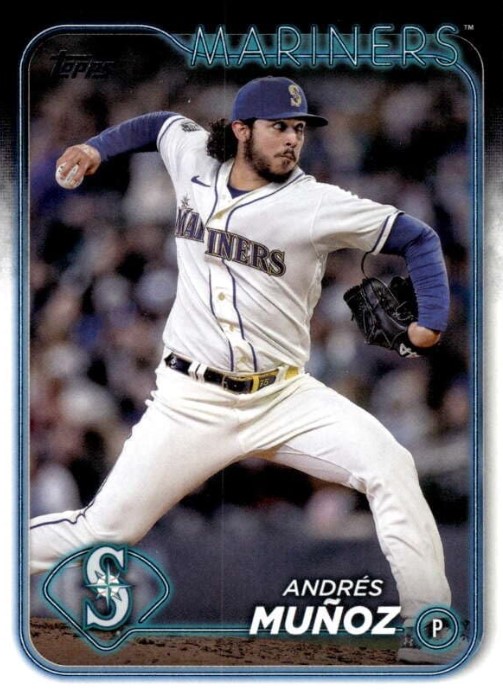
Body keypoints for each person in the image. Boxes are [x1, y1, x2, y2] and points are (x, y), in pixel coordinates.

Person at [30, 76, 461, 664]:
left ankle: (428, 625)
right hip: (191, 400)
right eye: (279, 126)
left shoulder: (315, 203)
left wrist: (429, 322)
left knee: (390, 465)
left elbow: (418, 237)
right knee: (102, 532)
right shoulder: (194, 160)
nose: (292, 139)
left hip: (284, 398)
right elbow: (158, 125)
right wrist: (95, 148)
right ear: (240, 130)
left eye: (299, 128)